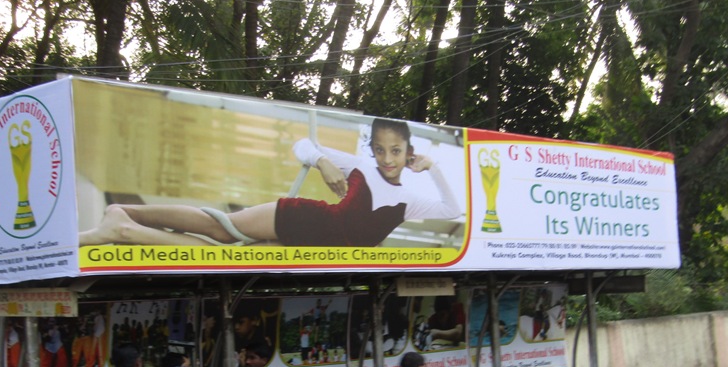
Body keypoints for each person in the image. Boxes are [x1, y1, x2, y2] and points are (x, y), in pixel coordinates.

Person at [78, 118, 461, 248]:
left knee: (223, 253)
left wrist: (432, 168)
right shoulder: (361, 166)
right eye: (380, 150)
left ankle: (125, 229)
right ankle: (126, 214)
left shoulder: (408, 199)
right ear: (373, 149)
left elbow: (452, 209)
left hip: (308, 247)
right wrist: (323, 162)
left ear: (408, 152)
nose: (388, 159)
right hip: (298, 219)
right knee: (221, 229)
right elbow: (302, 145)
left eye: (396, 151)